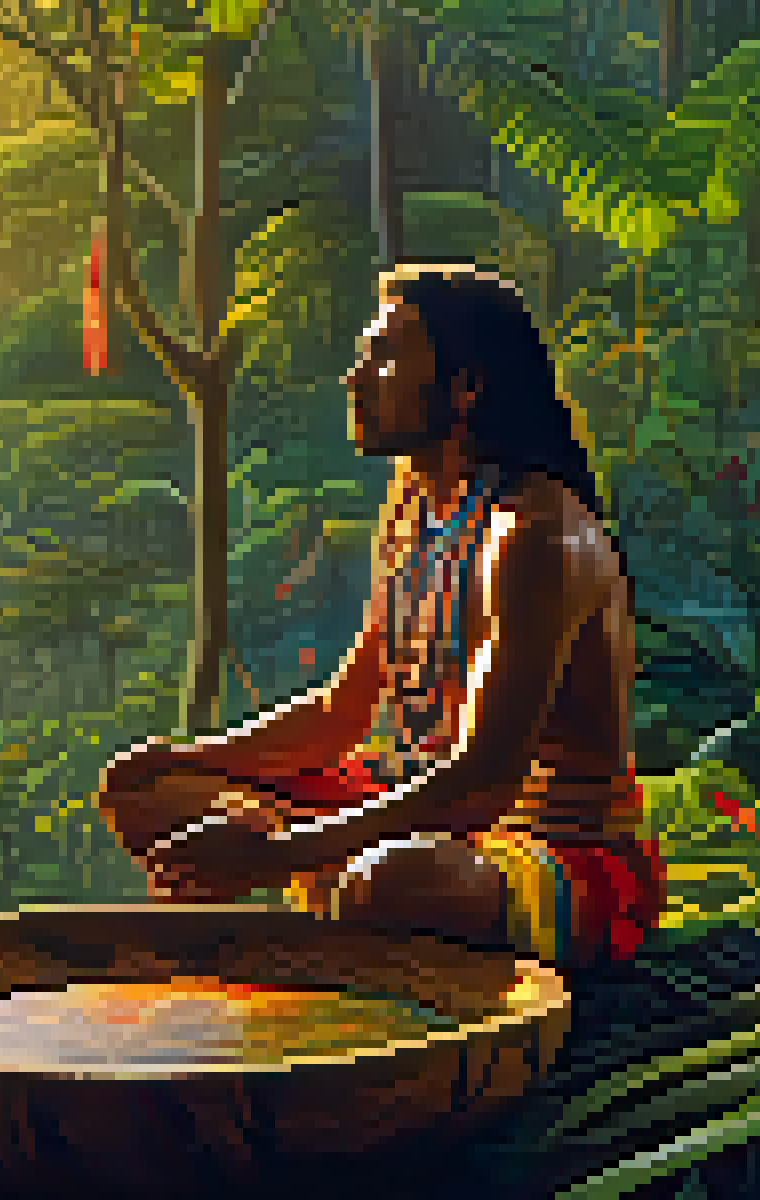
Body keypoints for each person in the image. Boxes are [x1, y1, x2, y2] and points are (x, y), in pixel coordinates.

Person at [95, 264, 665, 970]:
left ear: (466, 388)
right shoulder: (412, 515)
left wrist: (275, 854)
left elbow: (480, 784)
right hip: (415, 806)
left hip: (557, 859)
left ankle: (326, 915)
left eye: (384, 357)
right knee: (143, 790)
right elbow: (341, 713)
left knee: (391, 882)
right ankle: (309, 912)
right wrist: (187, 757)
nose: (355, 378)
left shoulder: (533, 537)